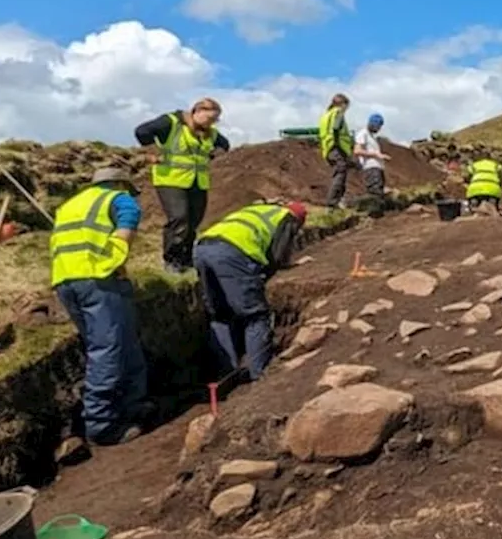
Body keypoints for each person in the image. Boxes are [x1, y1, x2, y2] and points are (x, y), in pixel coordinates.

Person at [49, 167, 150, 446]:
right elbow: (128, 223)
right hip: (99, 279)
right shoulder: (118, 198)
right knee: (108, 348)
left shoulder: (70, 205)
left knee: (122, 342)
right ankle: (102, 425)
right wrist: (116, 259)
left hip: (66, 281)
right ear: (118, 183)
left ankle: (133, 405)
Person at [194, 200, 307, 382]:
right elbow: (278, 256)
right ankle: (259, 372)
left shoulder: (258, 210)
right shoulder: (286, 218)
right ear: (299, 220)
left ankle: (226, 374)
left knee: (220, 315)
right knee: (256, 315)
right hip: (232, 253)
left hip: (202, 249)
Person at [135, 98, 230, 273]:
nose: (212, 123)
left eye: (215, 120)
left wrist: (216, 153)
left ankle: (186, 260)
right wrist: (151, 151)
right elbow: (142, 131)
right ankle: (171, 260)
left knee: (193, 221)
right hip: (170, 180)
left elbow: (224, 145)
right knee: (179, 218)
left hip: (197, 181)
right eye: (209, 118)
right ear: (197, 111)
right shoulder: (171, 122)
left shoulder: (211, 133)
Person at [319, 93, 354, 208]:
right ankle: (333, 202)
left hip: (328, 149)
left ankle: (338, 202)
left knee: (340, 174)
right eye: (346, 106)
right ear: (342, 104)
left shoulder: (325, 115)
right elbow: (336, 128)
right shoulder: (338, 113)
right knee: (340, 174)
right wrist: (339, 145)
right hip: (337, 148)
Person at [354, 113, 392, 214]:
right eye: (378, 126)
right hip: (371, 167)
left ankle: (378, 214)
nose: (379, 129)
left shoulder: (371, 137)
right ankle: (374, 215)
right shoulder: (363, 134)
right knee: (375, 193)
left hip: (377, 167)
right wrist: (375, 154)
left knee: (379, 191)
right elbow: (357, 151)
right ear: (373, 124)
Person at [465, 150, 502, 214]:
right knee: (492, 206)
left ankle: (474, 208)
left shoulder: (474, 165)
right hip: (493, 189)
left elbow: (467, 176)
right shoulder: (496, 165)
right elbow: (501, 177)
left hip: (475, 189)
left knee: (474, 207)